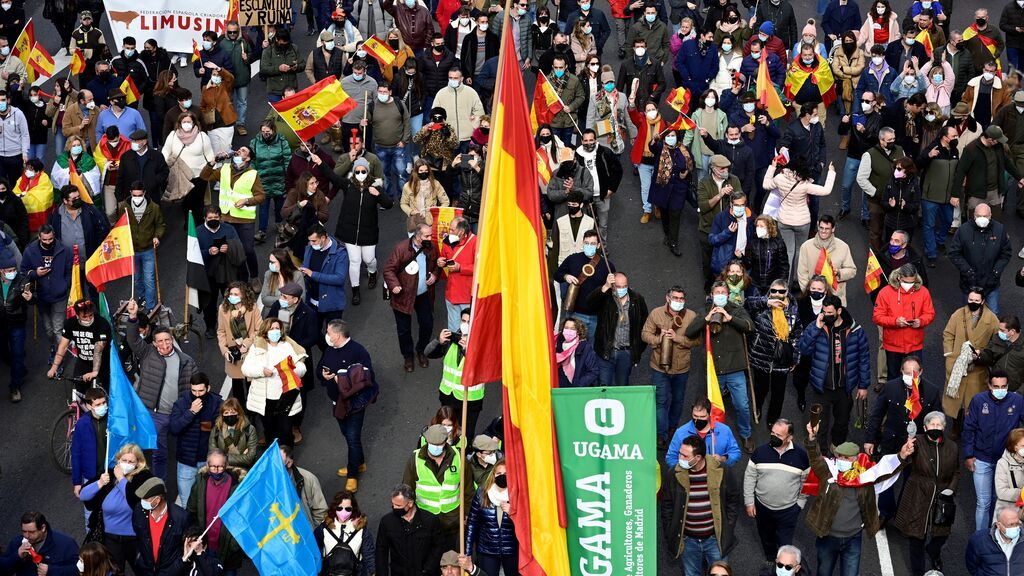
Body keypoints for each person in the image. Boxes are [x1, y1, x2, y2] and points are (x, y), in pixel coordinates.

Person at [804, 422, 915, 576]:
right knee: (824, 573)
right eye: (839, 456)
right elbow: (815, 458)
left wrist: (902, 455)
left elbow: (886, 470)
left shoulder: (866, 476)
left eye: (846, 458)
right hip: (828, 535)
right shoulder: (828, 471)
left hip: (853, 538)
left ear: (855, 460)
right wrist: (812, 438)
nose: (841, 460)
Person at [125, 299, 199, 481]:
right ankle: (134, 482)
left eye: (167, 340)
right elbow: (132, 339)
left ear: (172, 340)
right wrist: (133, 317)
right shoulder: (147, 353)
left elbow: (196, 387)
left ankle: (159, 484)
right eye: (160, 341)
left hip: (174, 415)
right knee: (143, 450)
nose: (164, 345)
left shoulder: (186, 361)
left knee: (163, 453)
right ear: (154, 343)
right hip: (151, 413)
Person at [865, 355, 941, 519]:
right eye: (907, 372)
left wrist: (935, 444)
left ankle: (902, 514)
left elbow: (937, 420)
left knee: (911, 483)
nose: (910, 376)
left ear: (921, 372)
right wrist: (870, 439)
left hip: (918, 445)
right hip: (892, 442)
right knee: (885, 479)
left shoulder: (932, 391)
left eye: (914, 373)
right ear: (901, 371)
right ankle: (886, 513)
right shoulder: (890, 388)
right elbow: (876, 415)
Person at [685, 280, 755, 451]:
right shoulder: (704, 311)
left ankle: (746, 435)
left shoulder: (737, 309)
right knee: (711, 405)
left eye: (724, 293)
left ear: (728, 295)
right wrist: (706, 319)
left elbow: (750, 327)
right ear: (711, 295)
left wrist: (730, 318)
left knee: (742, 405)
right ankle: (710, 434)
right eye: (717, 293)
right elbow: (689, 332)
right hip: (713, 369)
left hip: (734, 368)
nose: (721, 296)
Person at [889, 410, 960, 574]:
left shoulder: (952, 447)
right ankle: (918, 572)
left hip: (943, 497)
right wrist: (903, 454)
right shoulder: (916, 443)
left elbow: (956, 472)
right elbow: (902, 462)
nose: (935, 427)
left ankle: (933, 551)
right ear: (925, 426)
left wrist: (951, 489)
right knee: (916, 538)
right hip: (918, 495)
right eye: (932, 424)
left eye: (939, 424)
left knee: (941, 535)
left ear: (944, 427)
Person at [798, 295, 871, 454]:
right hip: (821, 387)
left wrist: (863, 385)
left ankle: (836, 446)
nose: (826, 315)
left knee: (842, 422)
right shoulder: (816, 326)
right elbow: (803, 348)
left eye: (830, 312)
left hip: (844, 387)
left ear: (839, 311)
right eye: (824, 312)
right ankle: (822, 454)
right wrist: (815, 328)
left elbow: (864, 358)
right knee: (820, 425)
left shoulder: (855, 330)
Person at [666, 435, 738, 576]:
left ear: (698, 457)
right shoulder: (673, 474)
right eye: (680, 453)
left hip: (715, 539)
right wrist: (670, 530)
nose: (679, 457)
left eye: (684, 455)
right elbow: (667, 505)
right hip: (688, 541)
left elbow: (733, 499)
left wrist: (728, 525)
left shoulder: (722, 470)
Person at [963, 369, 1024, 531]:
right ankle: (981, 537)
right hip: (982, 459)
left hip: (1006, 462)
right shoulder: (978, 401)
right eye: (996, 386)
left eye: (1003, 386)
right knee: (983, 503)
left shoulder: (1018, 401)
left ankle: (999, 534)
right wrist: (968, 455)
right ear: (989, 385)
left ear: (1008, 385)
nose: (1000, 390)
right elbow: (969, 429)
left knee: (1001, 500)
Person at [742, 419, 810, 562]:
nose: (773, 437)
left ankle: (783, 564)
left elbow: (808, 482)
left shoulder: (801, 456)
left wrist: (800, 504)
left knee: (785, 543)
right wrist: (749, 502)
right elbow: (749, 477)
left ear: (789, 437)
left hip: (788, 510)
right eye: (772, 433)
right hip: (762, 507)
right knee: (766, 537)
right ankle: (770, 559)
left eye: (779, 435)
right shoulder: (760, 452)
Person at [79, 443, 154, 571]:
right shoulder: (108, 474)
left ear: (138, 463)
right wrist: (100, 483)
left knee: (144, 571)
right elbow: (83, 495)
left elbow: (133, 499)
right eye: (124, 460)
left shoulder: (143, 478)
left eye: (131, 461)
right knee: (114, 572)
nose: (127, 463)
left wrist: (121, 478)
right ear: (118, 460)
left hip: (135, 538)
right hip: (110, 538)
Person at [321, 319, 377, 491]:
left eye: (329, 333)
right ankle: (358, 462)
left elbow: (366, 378)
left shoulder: (358, 352)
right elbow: (319, 368)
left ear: (337, 335)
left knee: (352, 438)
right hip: (336, 402)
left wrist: (341, 379)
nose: (327, 336)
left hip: (354, 403)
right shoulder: (330, 350)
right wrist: (323, 374)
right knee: (346, 433)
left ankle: (353, 475)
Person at [642, 285, 698, 444]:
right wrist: (659, 339)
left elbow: (697, 340)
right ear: (668, 298)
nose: (678, 301)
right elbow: (645, 334)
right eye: (675, 298)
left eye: (681, 299)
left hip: (681, 368)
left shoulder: (691, 316)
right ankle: (661, 434)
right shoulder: (656, 313)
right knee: (661, 401)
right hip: (659, 367)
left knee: (678, 400)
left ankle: (672, 427)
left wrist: (677, 338)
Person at [200, 146, 265, 282]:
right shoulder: (225, 169)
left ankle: (254, 277)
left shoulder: (253, 174)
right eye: (238, 150)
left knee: (247, 249)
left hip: (245, 219)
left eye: (243, 151)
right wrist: (214, 161)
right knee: (233, 250)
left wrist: (246, 201)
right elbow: (204, 176)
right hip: (227, 217)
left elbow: (261, 196)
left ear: (248, 158)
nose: (238, 151)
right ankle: (242, 279)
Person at [941, 287, 1000, 437]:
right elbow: (948, 334)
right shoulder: (958, 314)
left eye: (976, 300)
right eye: (970, 300)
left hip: (977, 368)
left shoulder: (992, 319)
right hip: (957, 365)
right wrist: (949, 353)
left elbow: (996, 342)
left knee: (973, 402)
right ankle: (955, 426)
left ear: (983, 301)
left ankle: (970, 429)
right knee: (956, 400)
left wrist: (984, 355)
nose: (972, 303)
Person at [241, 317, 306, 447]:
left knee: (286, 431)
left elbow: (302, 368)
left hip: (286, 396)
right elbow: (246, 369)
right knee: (270, 430)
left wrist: (291, 370)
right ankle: (273, 460)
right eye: (271, 329)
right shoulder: (256, 348)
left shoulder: (287, 346)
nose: (275, 331)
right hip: (266, 398)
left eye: (277, 328)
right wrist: (261, 371)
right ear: (265, 331)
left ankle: (287, 460)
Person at [383, 222, 439, 372]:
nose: (430, 238)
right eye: (427, 236)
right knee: (403, 329)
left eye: (430, 235)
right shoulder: (400, 249)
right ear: (418, 237)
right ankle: (408, 355)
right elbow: (389, 270)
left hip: (424, 294)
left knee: (427, 324)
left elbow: (436, 266)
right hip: (404, 296)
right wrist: (394, 285)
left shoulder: (431, 248)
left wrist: (434, 275)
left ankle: (421, 350)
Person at [337, 158, 393, 306]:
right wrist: (320, 162)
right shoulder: (348, 185)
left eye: (363, 171)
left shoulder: (375, 187)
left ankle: (372, 272)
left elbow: (389, 204)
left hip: (368, 232)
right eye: (357, 171)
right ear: (353, 172)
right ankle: (355, 290)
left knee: (369, 259)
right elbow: (332, 176)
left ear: (367, 172)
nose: (360, 174)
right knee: (355, 261)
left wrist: (378, 194)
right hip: (350, 232)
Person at [749, 279, 802, 427]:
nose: (777, 294)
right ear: (769, 291)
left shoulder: (793, 310)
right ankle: (757, 407)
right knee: (760, 389)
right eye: (774, 291)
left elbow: (797, 335)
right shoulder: (761, 305)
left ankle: (773, 419)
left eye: (781, 291)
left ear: (786, 293)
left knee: (778, 394)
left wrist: (795, 358)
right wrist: (767, 302)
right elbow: (747, 303)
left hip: (782, 360)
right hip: (761, 357)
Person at [424, 308, 485, 437]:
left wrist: (467, 351)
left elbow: (482, 368)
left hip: (470, 400)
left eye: (469, 322)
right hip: (448, 396)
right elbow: (428, 353)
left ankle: (464, 455)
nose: (465, 324)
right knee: (447, 433)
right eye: (463, 320)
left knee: (466, 436)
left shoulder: (482, 343)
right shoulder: (452, 339)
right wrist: (438, 341)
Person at [185, 450, 245, 575]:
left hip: (228, 550)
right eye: (213, 466)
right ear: (207, 465)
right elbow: (191, 512)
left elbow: (245, 518)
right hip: (205, 546)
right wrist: (194, 536)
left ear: (226, 465)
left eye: (220, 466)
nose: (216, 470)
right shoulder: (200, 483)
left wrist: (235, 545)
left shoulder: (238, 487)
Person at [872, 264, 935, 381]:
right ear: (899, 278)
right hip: (893, 345)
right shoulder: (885, 293)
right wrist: (895, 322)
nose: (909, 285)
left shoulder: (923, 292)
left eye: (912, 282)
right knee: (893, 378)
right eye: (906, 281)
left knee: (914, 379)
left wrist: (920, 321)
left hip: (914, 344)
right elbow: (877, 317)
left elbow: (930, 314)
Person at [585, 272, 649, 387]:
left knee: (622, 387)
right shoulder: (606, 297)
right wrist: (605, 287)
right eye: (618, 286)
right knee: (603, 387)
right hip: (606, 351)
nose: (622, 289)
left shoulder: (637, 299)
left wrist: (637, 350)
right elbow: (589, 303)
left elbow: (645, 325)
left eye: (624, 286)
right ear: (613, 285)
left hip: (626, 353)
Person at [169, 372, 222, 508]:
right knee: (186, 502)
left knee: (210, 502)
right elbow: (174, 428)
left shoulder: (216, 403)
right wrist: (191, 412)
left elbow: (222, 429)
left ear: (208, 388)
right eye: (194, 391)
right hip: (187, 462)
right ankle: (188, 528)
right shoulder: (181, 404)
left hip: (208, 461)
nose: (197, 395)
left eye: (201, 391)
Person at [948, 202, 1012, 313]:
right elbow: (954, 253)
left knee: (993, 313)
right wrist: (968, 272)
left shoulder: (999, 229)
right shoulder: (963, 230)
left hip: (991, 283)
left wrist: (996, 272)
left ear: (990, 215)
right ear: (974, 216)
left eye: (985, 216)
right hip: (969, 283)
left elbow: (1006, 253)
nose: (982, 219)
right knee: (968, 314)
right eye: (979, 216)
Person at [375, 483, 444, 576]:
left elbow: (438, 547)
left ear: (410, 503)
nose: (394, 508)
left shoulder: (430, 521)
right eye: (393, 504)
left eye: (398, 506)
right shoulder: (387, 522)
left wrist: (427, 570)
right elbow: (381, 552)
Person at [696, 155, 742, 290]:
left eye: (727, 168)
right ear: (713, 169)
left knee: (728, 262)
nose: (725, 171)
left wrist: (733, 196)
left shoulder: (734, 180)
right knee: (708, 261)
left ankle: (727, 288)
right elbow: (703, 207)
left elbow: (741, 201)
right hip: (708, 229)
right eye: (722, 168)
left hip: (729, 230)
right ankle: (710, 288)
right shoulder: (704, 183)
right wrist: (720, 195)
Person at [117, 180, 165, 312]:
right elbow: (120, 226)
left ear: (144, 193)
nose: (137, 198)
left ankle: (150, 306)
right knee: (137, 279)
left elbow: (160, 225)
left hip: (148, 249)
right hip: (132, 250)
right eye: (135, 195)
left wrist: (157, 236)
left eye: (139, 195)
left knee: (149, 279)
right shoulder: (124, 208)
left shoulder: (154, 208)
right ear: (130, 193)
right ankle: (142, 298)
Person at [195, 206, 242, 338]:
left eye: (216, 217)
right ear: (205, 218)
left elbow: (238, 245)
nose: (213, 220)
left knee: (231, 299)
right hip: (207, 274)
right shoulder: (198, 232)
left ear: (220, 217)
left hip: (227, 272)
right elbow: (193, 254)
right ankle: (210, 326)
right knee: (209, 303)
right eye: (210, 218)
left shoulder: (229, 229)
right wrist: (208, 252)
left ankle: (234, 324)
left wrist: (230, 247)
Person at [917, 124, 960, 265]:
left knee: (948, 221)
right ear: (944, 137)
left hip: (947, 196)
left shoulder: (954, 151)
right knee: (929, 224)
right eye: (953, 136)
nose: (956, 138)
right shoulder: (933, 148)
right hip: (930, 196)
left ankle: (940, 240)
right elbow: (918, 163)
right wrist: (928, 156)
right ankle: (931, 253)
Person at [162, 112, 215, 228]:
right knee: (185, 201)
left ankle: (199, 225)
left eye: (189, 122)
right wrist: (164, 162)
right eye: (184, 122)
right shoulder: (173, 135)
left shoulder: (202, 136)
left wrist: (214, 171)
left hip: (199, 175)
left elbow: (210, 154)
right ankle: (188, 224)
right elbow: (166, 150)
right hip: (181, 175)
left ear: (194, 123)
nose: (186, 124)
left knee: (198, 201)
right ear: (179, 123)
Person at [465, 462, 517, 576]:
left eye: (506, 473)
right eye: (499, 473)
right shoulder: (482, 493)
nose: (502, 476)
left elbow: (527, 524)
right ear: (493, 475)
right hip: (487, 550)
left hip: (512, 550)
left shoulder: (517, 494)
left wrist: (514, 512)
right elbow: (472, 523)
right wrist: (467, 552)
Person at [649, 129, 694, 256]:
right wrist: (654, 139)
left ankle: (673, 242)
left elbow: (692, 163)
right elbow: (652, 147)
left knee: (675, 214)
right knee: (665, 214)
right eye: (668, 135)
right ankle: (668, 235)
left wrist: (686, 172)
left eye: (673, 135)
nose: (670, 137)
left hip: (679, 188)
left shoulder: (684, 149)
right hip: (663, 188)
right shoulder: (660, 148)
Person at [216, 282, 259, 412]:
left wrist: (247, 343)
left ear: (244, 295)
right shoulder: (223, 309)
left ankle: (252, 411)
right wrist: (224, 350)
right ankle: (240, 411)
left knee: (251, 384)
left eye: (236, 294)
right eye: (231, 294)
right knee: (237, 386)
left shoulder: (253, 308)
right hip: (233, 352)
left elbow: (259, 330)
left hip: (249, 353)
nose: (232, 296)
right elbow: (221, 331)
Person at [132, 477, 189, 576]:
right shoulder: (139, 510)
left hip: (170, 572)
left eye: (145, 498)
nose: (142, 501)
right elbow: (138, 535)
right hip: (145, 570)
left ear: (157, 499)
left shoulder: (180, 517)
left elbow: (185, 544)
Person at [666, 397, 743, 469]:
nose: (698, 419)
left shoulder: (724, 430)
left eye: (702, 417)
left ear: (709, 414)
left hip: (716, 476)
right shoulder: (681, 432)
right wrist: (684, 469)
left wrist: (723, 459)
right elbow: (671, 458)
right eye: (695, 416)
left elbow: (735, 452)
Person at [796, 215, 857, 305]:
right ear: (818, 227)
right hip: (812, 298)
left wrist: (839, 273)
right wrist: (810, 292)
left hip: (835, 297)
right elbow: (802, 273)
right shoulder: (806, 246)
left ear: (833, 229)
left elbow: (852, 270)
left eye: (827, 228)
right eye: (821, 228)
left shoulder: (843, 247)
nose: (823, 231)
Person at [49, 298, 111, 386]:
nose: (88, 319)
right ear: (77, 316)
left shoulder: (101, 324)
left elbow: (98, 350)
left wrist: (95, 372)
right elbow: (63, 346)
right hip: (83, 361)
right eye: (84, 317)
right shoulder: (71, 323)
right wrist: (54, 367)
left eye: (91, 315)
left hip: (103, 362)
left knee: (108, 388)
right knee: (78, 388)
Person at [301, 224, 350, 335]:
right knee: (312, 334)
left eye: (314, 241)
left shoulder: (340, 253)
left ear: (323, 237)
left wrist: (313, 274)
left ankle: (328, 352)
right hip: (312, 301)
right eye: (310, 241)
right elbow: (306, 266)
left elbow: (339, 278)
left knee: (333, 337)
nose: (311, 244)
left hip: (332, 304)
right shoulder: (309, 248)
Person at [314, 490, 376, 576]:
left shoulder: (361, 531)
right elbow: (313, 550)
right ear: (334, 508)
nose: (343, 512)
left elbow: (369, 556)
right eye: (339, 508)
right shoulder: (324, 528)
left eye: (348, 509)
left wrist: (372, 573)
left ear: (353, 509)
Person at [249, 120, 291, 243]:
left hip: (279, 179)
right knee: (263, 207)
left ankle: (279, 223)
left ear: (273, 131)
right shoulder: (255, 142)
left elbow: (287, 159)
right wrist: (254, 174)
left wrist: (288, 177)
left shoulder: (282, 142)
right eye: (263, 131)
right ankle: (262, 231)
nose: (265, 134)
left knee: (279, 206)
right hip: (263, 180)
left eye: (267, 131)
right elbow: (251, 160)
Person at [0, 512, 79, 575]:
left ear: (43, 528)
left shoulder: (65, 543)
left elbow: (80, 570)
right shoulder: (17, 542)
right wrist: (17, 556)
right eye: (24, 531)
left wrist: (51, 571)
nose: (27, 535)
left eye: (31, 532)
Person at [0, 248, 30, 401]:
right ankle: (19, 370)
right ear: (1, 271)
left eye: (14, 269)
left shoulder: (22, 281)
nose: (12, 272)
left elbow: (33, 299)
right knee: (5, 354)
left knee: (18, 354)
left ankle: (15, 387)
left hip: (17, 324)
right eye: (9, 270)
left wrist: (30, 298)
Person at [70, 388, 108, 503]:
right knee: (90, 512)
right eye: (98, 404)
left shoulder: (112, 420)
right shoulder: (82, 424)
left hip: (109, 474)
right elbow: (76, 453)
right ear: (89, 405)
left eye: (104, 403)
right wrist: (77, 482)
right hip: (91, 476)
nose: (102, 406)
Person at [282, 171, 331, 258]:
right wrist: (299, 205)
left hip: (313, 231)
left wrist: (314, 212)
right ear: (304, 185)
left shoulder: (319, 195)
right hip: (295, 231)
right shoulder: (294, 193)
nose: (315, 185)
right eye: (312, 183)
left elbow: (325, 216)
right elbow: (284, 213)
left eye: (316, 182)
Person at [965, 505, 1024, 575]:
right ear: (999, 525)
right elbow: (972, 566)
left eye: (1017, 524)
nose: (1015, 528)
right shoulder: (979, 540)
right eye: (1011, 525)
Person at [279, 444, 328, 525]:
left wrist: (313, 532)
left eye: (279, 462)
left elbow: (320, 511)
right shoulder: (266, 482)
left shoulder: (309, 479)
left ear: (289, 463)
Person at [207, 398, 259, 469]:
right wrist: (241, 457)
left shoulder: (249, 430)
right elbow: (213, 456)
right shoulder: (216, 430)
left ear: (238, 414)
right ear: (222, 415)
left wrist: (223, 457)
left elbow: (249, 459)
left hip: (244, 471)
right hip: (223, 471)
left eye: (232, 413)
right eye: (226, 413)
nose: (229, 415)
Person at [401, 159, 451, 225]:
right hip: (415, 221)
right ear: (416, 171)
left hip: (431, 221)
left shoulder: (435, 184)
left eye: (426, 170)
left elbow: (445, 201)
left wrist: (438, 211)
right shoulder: (408, 186)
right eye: (421, 171)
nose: (423, 173)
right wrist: (411, 212)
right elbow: (403, 203)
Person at [555, 316, 601, 388]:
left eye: (573, 329)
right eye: (566, 328)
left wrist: (578, 385)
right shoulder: (555, 345)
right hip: (558, 388)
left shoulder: (585, 347)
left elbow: (593, 371)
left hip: (576, 389)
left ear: (578, 331)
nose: (569, 331)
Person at [260, 28, 304, 103]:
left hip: (291, 90)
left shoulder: (294, 48)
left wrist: (296, 67)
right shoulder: (268, 51)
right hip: (275, 91)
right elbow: (263, 69)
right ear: (277, 39)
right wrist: (278, 69)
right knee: (276, 113)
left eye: (287, 43)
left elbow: (302, 64)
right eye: (282, 43)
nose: (285, 46)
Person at [995, 429, 1024, 512]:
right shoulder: (1003, 463)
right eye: (1023, 445)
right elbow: (1001, 492)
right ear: (1015, 447)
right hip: (1009, 513)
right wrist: (1023, 494)